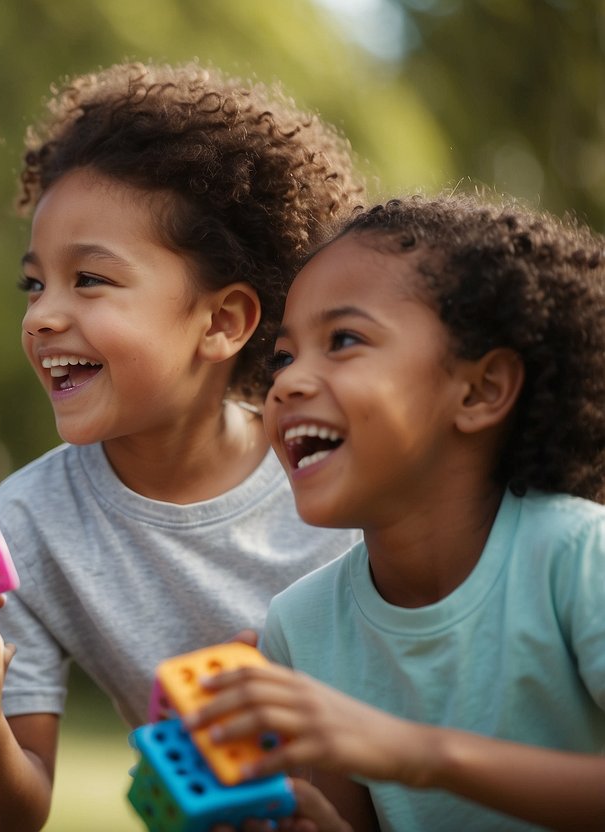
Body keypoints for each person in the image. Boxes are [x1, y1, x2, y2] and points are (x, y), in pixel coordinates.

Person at [0, 61, 365, 830]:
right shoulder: (26, 528)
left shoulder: (336, 481)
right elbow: (17, 809)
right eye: (34, 284)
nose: (42, 316)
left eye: (91, 280)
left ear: (221, 323)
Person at [193, 193, 605, 831]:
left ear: (480, 389)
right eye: (284, 356)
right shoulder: (302, 626)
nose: (288, 383)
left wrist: (410, 751)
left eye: (344, 340)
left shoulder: (579, 558)